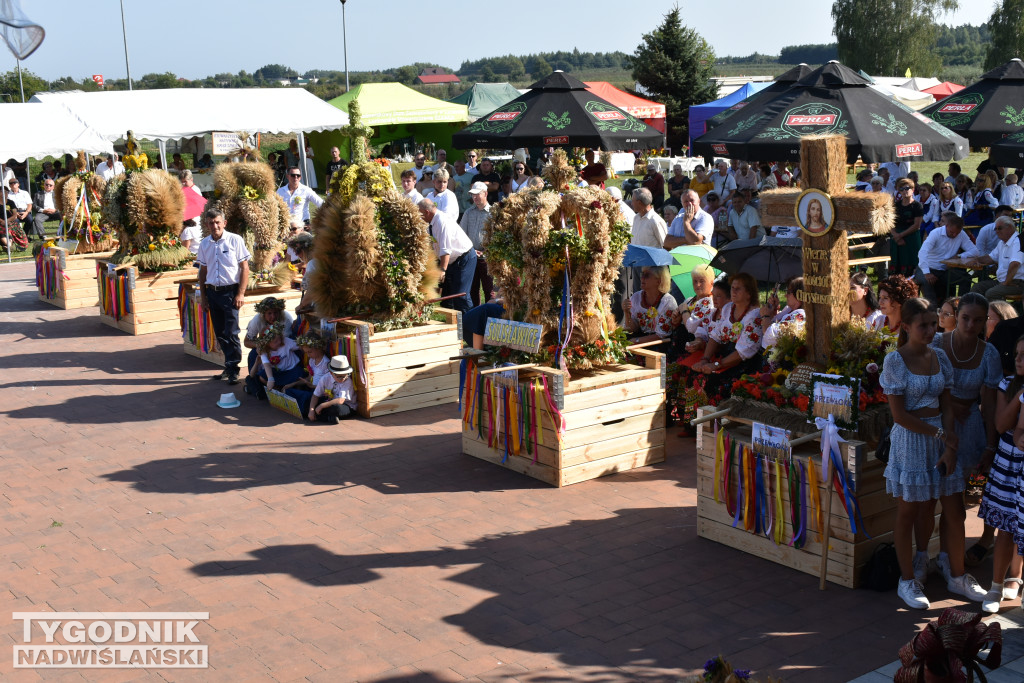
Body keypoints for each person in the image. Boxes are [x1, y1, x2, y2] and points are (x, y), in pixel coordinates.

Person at [881, 297, 986, 610]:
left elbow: (947, 405)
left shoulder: (940, 356)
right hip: (911, 443)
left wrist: (950, 444)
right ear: (907, 327)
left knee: (953, 507)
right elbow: (899, 415)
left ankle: (956, 575)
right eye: (923, 325)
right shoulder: (895, 361)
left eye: (933, 323)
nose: (930, 329)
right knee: (910, 511)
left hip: (942, 439)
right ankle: (908, 578)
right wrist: (941, 433)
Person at [913, 293, 1001, 591]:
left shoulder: (988, 354)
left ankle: (949, 559)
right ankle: (922, 557)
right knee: (927, 499)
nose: (970, 325)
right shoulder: (937, 344)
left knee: (955, 501)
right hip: (934, 424)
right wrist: (951, 405)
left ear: (986, 321)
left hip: (969, 430)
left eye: (978, 320)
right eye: (965, 318)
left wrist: (990, 445)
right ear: (955, 316)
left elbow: (989, 404)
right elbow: (922, 388)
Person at [979, 335, 1024, 612]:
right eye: (1017, 354)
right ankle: (995, 587)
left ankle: (1015, 577)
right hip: (1008, 463)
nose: (1018, 359)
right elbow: (1000, 424)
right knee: (1006, 527)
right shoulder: (1007, 385)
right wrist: (1021, 394)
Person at [197, 208, 251, 385]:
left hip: (230, 293)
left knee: (232, 332)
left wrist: (240, 293)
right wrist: (204, 297)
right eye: (211, 223)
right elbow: (203, 272)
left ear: (224, 223)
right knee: (220, 332)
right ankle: (228, 365)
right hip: (213, 293)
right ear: (206, 225)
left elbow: (244, 268)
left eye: (218, 222)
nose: (215, 226)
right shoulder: (204, 244)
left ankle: (234, 369)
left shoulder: (235, 240)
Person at [691, 273, 764, 404]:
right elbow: (715, 336)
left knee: (713, 381)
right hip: (726, 358)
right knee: (696, 374)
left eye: (738, 288)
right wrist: (704, 359)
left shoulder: (754, 316)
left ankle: (715, 422)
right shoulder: (728, 308)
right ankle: (697, 422)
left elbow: (743, 352)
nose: (733, 291)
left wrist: (716, 365)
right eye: (732, 288)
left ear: (749, 294)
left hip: (744, 363)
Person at [418, 198, 476, 312]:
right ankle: (453, 325)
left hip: (464, 258)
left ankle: (469, 324)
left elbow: (445, 250)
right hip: (452, 261)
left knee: (461, 295)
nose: (420, 217)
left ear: (427, 212)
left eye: (420, 214)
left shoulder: (441, 222)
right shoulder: (431, 221)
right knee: (447, 298)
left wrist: (443, 270)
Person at [913, 213, 976, 306]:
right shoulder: (936, 233)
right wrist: (927, 273)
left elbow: (975, 251)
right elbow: (922, 252)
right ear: (946, 226)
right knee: (928, 288)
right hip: (927, 268)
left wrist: (960, 256)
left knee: (966, 278)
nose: (954, 235)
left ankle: (962, 306)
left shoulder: (961, 234)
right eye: (951, 232)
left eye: (957, 233)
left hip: (945, 270)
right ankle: (932, 311)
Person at [970, 216, 1024, 301]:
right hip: (1003, 281)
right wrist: (976, 260)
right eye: (996, 229)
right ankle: (978, 313)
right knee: (977, 288)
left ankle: (1001, 313)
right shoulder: (1002, 243)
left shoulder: (1018, 241)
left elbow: (1015, 264)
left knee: (992, 293)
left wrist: (1006, 283)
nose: (997, 231)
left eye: (1000, 228)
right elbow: (990, 258)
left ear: (1010, 227)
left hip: (1017, 283)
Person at [245, 323, 303, 401]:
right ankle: (278, 392)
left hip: (291, 370)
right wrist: (270, 378)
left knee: (300, 373)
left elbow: (300, 345)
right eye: (275, 341)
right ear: (268, 344)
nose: (279, 342)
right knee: (262, 376)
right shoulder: (263, 350)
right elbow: (266, 364)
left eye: (279, 339)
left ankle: (293, 390)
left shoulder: (286, 341)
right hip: (277, 373)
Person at [622, 265, 676, 344]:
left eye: (646, 275)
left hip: (660, 345)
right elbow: (632, 329)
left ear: (659, 281)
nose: (642, 278)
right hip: (639, 341)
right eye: (642, 274)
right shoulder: (636, 297)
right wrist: (627, 312)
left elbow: (661, 335)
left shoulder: (668, 301)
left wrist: (637, 341)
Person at [282, 333, 331, 418]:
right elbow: (309, 378)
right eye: (306, 353)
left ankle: (306, 409)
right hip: (312, 390)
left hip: (320, 394)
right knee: (288, 390)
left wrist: (312, 386)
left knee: (305, 397)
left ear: (318, 348)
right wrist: (293, 384)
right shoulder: (312, 361)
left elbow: (328, 387)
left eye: (310, 352)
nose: (308, 355)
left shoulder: (326, 363)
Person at [243, 296, 297, 371]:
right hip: (265, 346)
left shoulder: (286, 318)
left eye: (275, 313)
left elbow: (286, 341)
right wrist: (259, 344)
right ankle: (254, 379)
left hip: (282, 345)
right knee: (253, 354)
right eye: (269, 313)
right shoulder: (256, 320)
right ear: (263, 314)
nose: (273, 316)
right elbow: (246, 342)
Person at [460, 182, 492, 307]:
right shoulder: (468, 213)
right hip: (471, 255)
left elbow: (496, 236)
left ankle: (490, 316)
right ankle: (476, 315)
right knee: (472, 289)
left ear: (485, 194)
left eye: (477, 194)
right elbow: (462, 235)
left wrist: (486, 251)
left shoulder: (493, 213)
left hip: (487, 257)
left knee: (488, 289)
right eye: (473, 195)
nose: (475, 197)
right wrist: (471, 250)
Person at [308, 355, 358, 424]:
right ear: (331, 373)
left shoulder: (348, 381)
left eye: (345, 375)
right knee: (310, 404)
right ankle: (330, 417)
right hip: (329, 403)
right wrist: (311, 410)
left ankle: (326, 417)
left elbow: (340, 400)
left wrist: (322, 406)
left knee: (336, 408)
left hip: (346, 405)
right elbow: (315, 395)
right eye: (339, 376)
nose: (343, 379)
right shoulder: (325, 378)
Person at [760, 277, 805, 349]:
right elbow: (777, 322)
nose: (785, 295)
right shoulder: (789, 308)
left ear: (799, 295)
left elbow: (771, 335)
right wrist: (773, 310)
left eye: (789, 292)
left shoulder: (800, 315)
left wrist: (765, 316)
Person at [891, 179, 924, 277]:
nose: (904, 191)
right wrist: (896, 236)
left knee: (912, 264)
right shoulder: (895, 205)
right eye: (901, 189)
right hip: (896, 238)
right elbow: (890, 223)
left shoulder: (917, 206)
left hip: (911, 237)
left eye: (907, 188)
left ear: (913, 189)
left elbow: (916, 225)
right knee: (897, 265)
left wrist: (900, 236)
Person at [31, 177, 60, 242]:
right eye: (46, 184)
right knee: (37, 219)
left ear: (53, 186)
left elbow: (61, 205)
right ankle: (43, 236)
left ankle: (60, 234)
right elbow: (34, 205)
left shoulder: (57, 194)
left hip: (55, 212)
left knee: (64, 217)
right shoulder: (38, 194)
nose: (48, 186)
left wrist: (55, 210)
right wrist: (43, 210)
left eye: (50, 185)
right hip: (43, 212)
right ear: (44, 185)